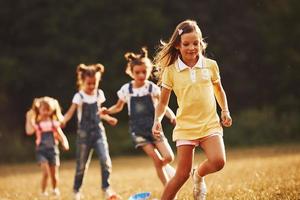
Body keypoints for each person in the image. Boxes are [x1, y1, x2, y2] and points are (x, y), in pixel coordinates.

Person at [152, 19, 232, 200]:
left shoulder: (211, 65)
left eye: (196, 43)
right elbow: (163, 103)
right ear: (178, 46)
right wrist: (157, 119)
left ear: (201, 43)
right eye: (186, 44)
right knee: (181, 175)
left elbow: (219, 90)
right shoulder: (171, 71)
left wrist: (224, 110)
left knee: (219, 161)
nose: (192, 48)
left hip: (209, 123)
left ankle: (198, 175)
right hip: (186, 128)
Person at [101, 47, 176, 186]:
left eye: (144, 72)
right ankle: (168, 187)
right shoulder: (126, 90)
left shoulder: (151, 88)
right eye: (137, 72)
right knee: (156, 159)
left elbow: (163, 105)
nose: (141, 75)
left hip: (154, 127)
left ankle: (167, 167)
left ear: (148, 71)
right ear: (131, 72)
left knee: (168, 157)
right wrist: (108, 111)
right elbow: (118, 107)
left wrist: (172, 117)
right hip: (138, 131)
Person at [62, 63, 120, 200]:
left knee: (106, 160)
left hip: (99, 133)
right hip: (84, 135)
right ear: (82, 81)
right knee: (81, 165)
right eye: (89, 83)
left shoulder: (99, 94)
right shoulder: (79, 96)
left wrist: (108, 118)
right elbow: (71, 112)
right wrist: (63, 121)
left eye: (95, 83)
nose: (92, 86)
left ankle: (106, 188)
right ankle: (76, 190)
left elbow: (98, 113)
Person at [25, 96, 70, 198]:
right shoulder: (37, 124)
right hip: (41, 151)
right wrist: (28, 118)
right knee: (46, 173)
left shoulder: (53, 123)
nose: (45, 112)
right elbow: (29, 131)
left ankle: (55, 189)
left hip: (53, 151)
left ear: (51, 110)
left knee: (54, 175)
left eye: (48, 110)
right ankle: (43, 192)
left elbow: (60, 135)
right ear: (39, 110)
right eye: (43, 109)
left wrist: (65, 143)